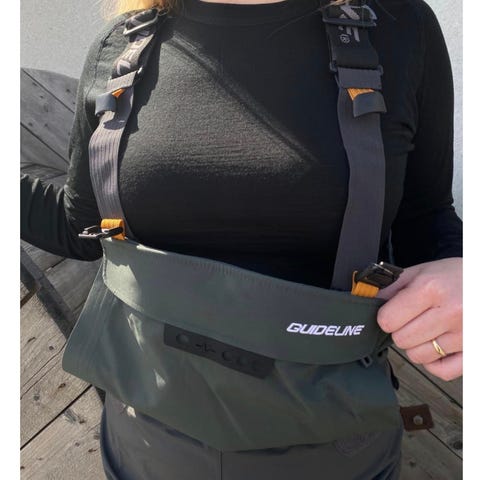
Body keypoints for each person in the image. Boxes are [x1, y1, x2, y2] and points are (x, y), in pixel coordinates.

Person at [21, 0, 463, 478]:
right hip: (146, 441)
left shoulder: (399, 26)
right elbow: (81, 228)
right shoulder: (122, 45)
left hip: (333, 450)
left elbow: (426, 221)